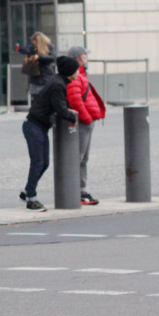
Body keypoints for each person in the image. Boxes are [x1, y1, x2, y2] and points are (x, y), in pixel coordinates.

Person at [19, 55, 79, 212]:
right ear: (69, 72)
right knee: (38, 162)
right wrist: (72, 116)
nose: (78, 72)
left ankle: (27, 191)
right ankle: (31, 200)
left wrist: (67, 109)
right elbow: (59, 108)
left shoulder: (58, 81)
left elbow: (58, 102)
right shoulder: (58, 84)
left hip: (38, 126)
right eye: (76, 69)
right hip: (34, 126)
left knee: (44, 163)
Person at [65, 45, 106, 206]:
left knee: (83, 158)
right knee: (78, 157)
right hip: (83, 122)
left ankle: (82, 190)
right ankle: (75, 190)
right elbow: (76, 100)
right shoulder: (75, 76)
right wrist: (87, 118)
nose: (86, 58)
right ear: (78, 58)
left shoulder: (81, 74)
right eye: (84, 55)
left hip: (88, 121)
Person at [17, 31, 56, 100]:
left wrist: (39, 57)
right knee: (35, 97)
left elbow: (52, 57)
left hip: (45, 75)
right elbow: (28, 52)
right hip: (34, 75)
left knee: (45, 96)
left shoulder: (49, 47)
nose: (34, 44)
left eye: (35, 42)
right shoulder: (33, 48)